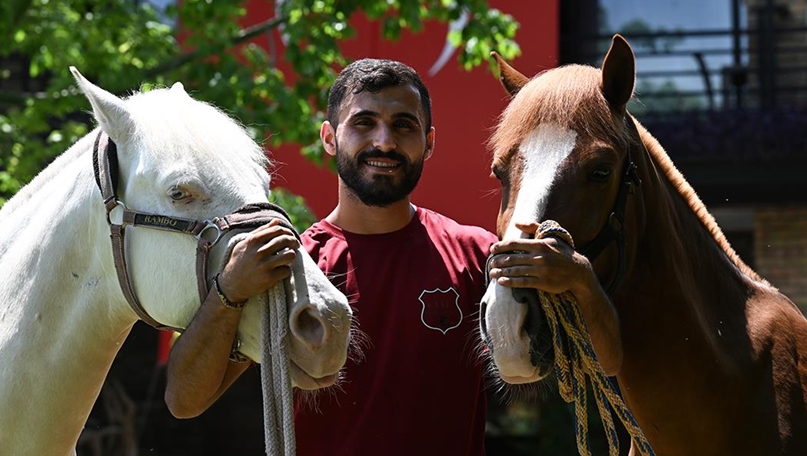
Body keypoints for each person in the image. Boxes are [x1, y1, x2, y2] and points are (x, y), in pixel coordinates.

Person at [164, 58, 622, 456]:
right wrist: (228, 292)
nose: (384, 141)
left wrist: (580, 280)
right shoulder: (292, 268)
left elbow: (605, 366)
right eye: (363, 122)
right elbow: (184, 401)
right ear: (329, 138)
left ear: (429, 143)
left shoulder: (478, 254)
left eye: (404, 125)